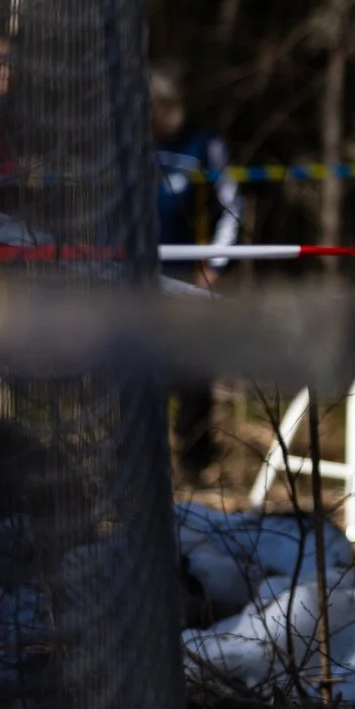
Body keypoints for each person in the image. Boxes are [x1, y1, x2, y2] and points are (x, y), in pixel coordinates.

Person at [154, 62, 245, 473]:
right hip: (133, 273)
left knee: (193, 370)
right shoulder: (124, 141)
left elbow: (232, 204)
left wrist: (217, 263)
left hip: (186, 274)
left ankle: (194, 461)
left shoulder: (204, 142)